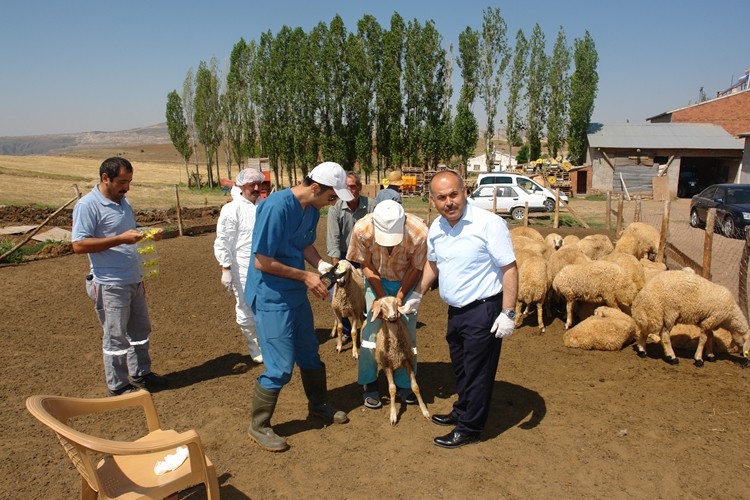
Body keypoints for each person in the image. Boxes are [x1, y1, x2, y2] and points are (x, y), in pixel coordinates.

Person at [403, 170, 518, 449]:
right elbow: (434, 264)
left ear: (465, 191)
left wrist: (508, 312)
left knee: (478, 370)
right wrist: (418, 294)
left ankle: (469, 427)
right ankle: (463, 409)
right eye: (441, 197)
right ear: (432, 200)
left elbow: (509, 268)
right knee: (463, 366)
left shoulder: (488, 224)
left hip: (484, 309)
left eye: (453, 194)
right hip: (456, 311)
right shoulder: (438, 229)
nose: (449, 202)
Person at [245, 161, 353, 452]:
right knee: (280, 367)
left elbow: (304, 244)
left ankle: (318, 405)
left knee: (309, 353)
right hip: (271, 296)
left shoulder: (312, 209)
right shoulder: (276, 207)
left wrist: (320, 265)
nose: (333, 203)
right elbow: (261, 261)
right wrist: (306, 276)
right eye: (332, 196)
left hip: (294, 293)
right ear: (315, 187)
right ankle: (259, 425)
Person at [71, 157, 168, 396]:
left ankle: (141, 373)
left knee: (140, 331)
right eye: (122, 182)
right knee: (115, 336)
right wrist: (119, 239)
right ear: (106, 178)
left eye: (129, 182)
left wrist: (146, 235)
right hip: (109, 283)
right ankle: (118, 385)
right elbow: (79, 245)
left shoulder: (124, 202)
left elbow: (129, 232)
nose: (127, 187)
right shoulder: (88, 206)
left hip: (133, 278)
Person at [346, 200, 428, 409]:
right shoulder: (363, 229)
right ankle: (369, 382)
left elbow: (416, 268)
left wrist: (400, 297)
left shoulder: (419, 232)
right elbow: (365, 264)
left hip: (406, 282)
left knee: (406, 332)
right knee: (371, 333)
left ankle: (405, 383)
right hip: (376, 281)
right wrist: (382, 299)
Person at [214, 167, 266, 363]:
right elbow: (223, 240)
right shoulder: (232, 209)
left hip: (265, 264)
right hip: (241, 266)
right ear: (241, 186)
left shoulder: (265, 206)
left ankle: (267, 341)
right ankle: (254, 346)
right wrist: (225, 267)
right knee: (245, 305)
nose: (255, 187)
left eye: (258, 184)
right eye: (251, 184)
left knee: (263, 304)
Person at [326, 172, 376, 341]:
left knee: (368, 288)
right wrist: (337, 270)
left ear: (359, 188)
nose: (349, 189)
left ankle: (368, 327)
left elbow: (375, 235)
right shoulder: (335, 209)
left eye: (353, 186)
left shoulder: (371, 206)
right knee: (339, 293)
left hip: (365, 255)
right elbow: (334, 239)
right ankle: (346, 330)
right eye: (345, 187)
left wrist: (367, 263)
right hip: (343, 256)